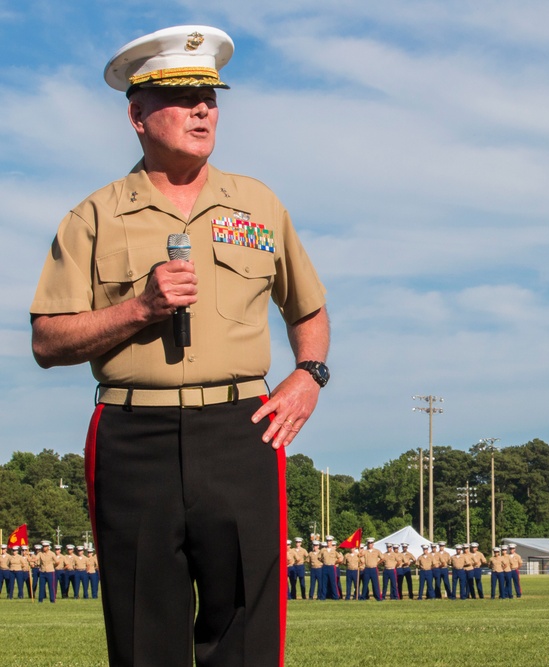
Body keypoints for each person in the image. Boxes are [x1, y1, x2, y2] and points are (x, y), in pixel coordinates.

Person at [30, 24, 328, 666]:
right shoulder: (95, 217)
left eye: (211, 96)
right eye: (182, 95)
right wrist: (141, 307)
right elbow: (47, 340)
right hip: (134, 435)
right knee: (143, 632)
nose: (202, 109)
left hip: (241, 428)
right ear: (136, 114)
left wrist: (309, 375)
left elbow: (309, 307)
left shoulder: (258, 204)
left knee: (247, 631)